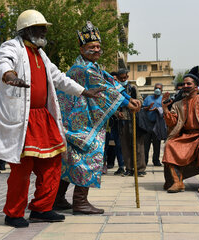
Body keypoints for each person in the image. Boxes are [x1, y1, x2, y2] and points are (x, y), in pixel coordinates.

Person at [0, 11, 105, 228]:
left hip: (44, 117)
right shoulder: (12, 46)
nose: (44, 31)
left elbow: (59, 78)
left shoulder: (42, 55)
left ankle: (42, 208)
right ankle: (13, 213)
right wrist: (10, 75)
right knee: (22, 168)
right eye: (40, 27)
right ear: (27, 29)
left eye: (44, 28)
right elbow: (2, 63)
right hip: (23, 118)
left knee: (52, 164)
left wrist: (83, 92)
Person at [54, 21, 140, 215]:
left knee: (70, 162)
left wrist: (129, 99)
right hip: (78, 124)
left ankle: (57, 199)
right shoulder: (83, 69)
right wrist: (127, 103)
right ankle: (80, 202)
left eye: (98, 46)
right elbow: (107, 90)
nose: (96, 49)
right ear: (82, 49)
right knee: (86, 159)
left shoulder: (94, 67)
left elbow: (112, 83)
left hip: (82, 121)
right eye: (92, 47)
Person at [116, 68, 146, 176]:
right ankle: (129, 168)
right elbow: (113, 105)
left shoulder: (133, 87)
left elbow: (140, 100)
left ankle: (140, 169)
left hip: (134, 120)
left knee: (138, 145)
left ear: (127, 77)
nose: (123, 79)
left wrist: (135, 106)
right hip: (123, 122)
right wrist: (117, 113)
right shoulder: (116, 89)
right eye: (121, 78)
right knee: (125, 146)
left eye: (125, 77)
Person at [142, 83, 163, 166]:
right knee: (145, 144)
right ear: (154, 89)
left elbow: (165, 110)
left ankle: (156, 161)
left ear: (162, 90)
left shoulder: (162, 99)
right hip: (147, 124)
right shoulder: (148, 98)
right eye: (156, 88)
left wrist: (158, 109)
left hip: (157, 124)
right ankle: (145, 161)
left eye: (159, 88)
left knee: (157, 144)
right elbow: (142, 108)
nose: (157, 90)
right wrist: (147, 108)